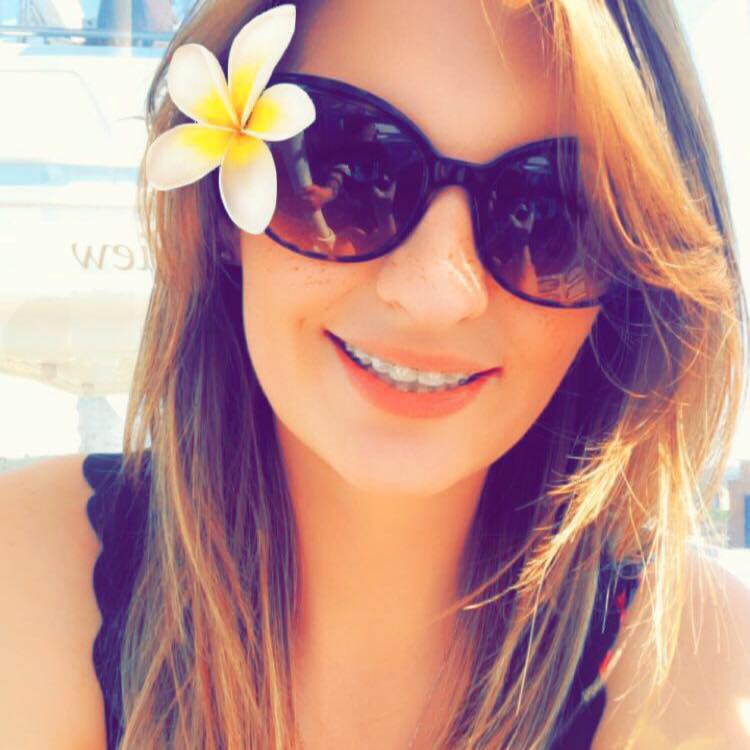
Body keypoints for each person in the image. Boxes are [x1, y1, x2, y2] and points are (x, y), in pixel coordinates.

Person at [1, 1, 749, 749]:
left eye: (547, 212)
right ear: (221, 206)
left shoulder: (705, 675)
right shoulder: (27, 580)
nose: (436, 292)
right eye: (350, 170)